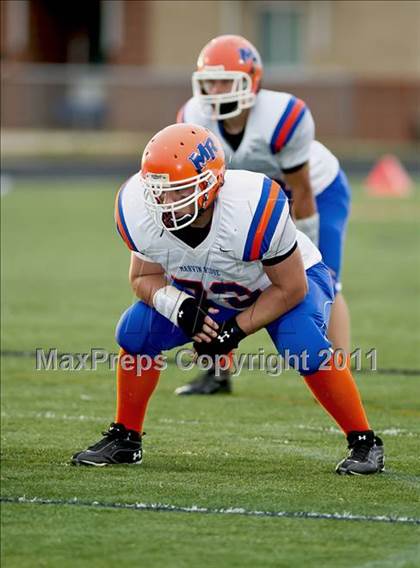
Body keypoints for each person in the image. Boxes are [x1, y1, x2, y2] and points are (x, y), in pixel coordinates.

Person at [72, 123, 384, 475]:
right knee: (134, 332)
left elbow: (291, 288)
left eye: (178, 192)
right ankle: (126, 439)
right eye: (159, 191)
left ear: (210, 185)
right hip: (206, 287)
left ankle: (365, 442)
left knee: (304, 345)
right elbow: (143, 277)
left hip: (278, 283)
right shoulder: (137, 209)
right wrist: (181, 307)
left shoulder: (253, 206)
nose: (165, 203)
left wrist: (233, 331)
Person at [176, 34, 351, 395]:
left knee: (326, 281)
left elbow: (301, 191)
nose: (216, 89)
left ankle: (339, 372)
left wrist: (306, 257)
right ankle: (216, 373)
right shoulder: (194, 116)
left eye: (226, 79)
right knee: (211, 275)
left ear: (251, 81)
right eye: (210, 80)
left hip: (315, 190)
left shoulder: (284, 116)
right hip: (248, 196)